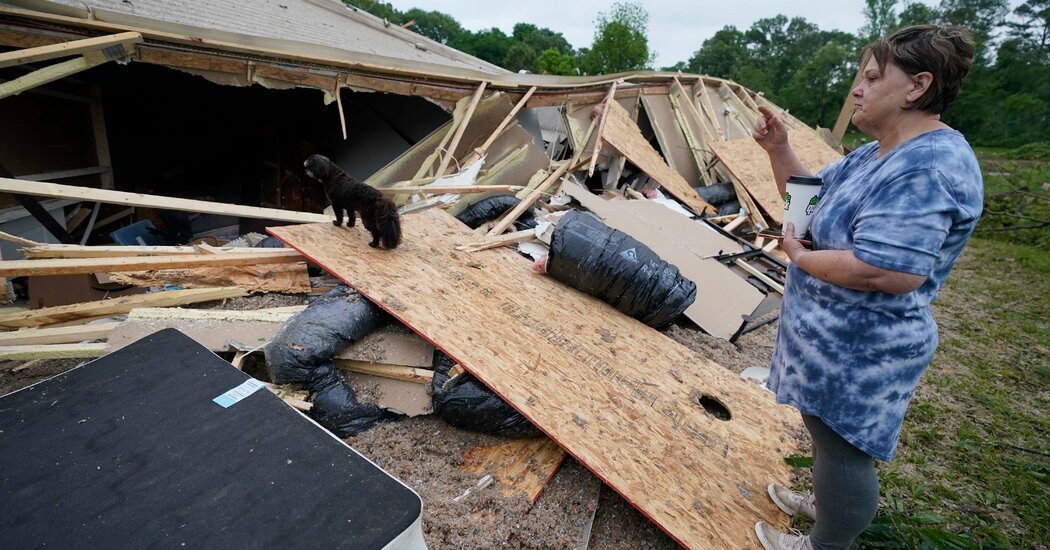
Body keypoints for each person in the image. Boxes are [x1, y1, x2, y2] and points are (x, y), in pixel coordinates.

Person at [750, 25, 983, 550]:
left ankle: (826, 542)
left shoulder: (928, 166)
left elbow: (889, 270)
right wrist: (779, 149)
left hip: (862, 350)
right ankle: (826, 505)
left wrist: (801, 257)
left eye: (873, 77)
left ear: (916, 87)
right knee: (826, 438)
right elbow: (809, 199)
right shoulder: (878, 153)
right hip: (831, 344)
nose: (858, 88)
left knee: (843, 452)